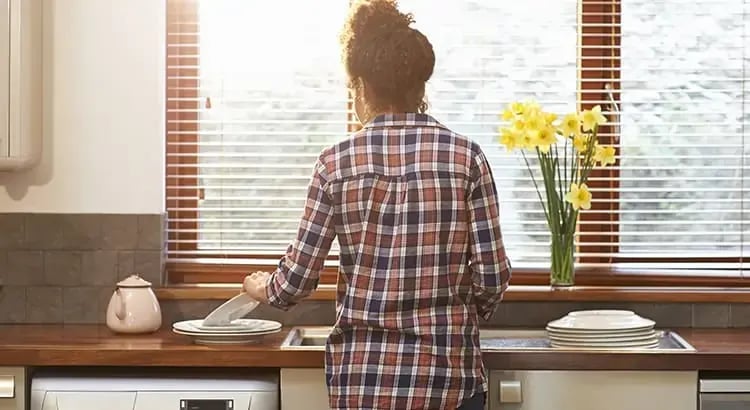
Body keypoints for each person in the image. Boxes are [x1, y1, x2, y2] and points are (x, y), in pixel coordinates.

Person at [243, 0, 511, 408]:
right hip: (448, 383)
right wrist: (455, 316)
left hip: (364, 383)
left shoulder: (334, 164)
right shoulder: (465, 158)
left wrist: (261, 286)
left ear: (361, 87)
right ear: (421, 88)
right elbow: (492, 276)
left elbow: (294, 281)